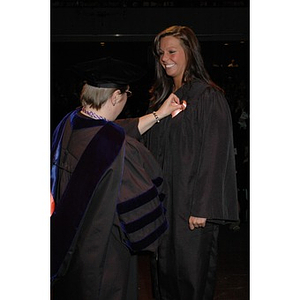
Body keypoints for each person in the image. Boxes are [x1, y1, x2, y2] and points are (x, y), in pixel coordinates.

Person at [50, 57, 185, 300]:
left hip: (68, 250)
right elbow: (142, 214)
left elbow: (110, 130)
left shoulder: (68, 124)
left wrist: (158, 114)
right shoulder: (120, 148)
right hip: (105, 255)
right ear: (115, 97)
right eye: (126, 95)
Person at [143, 25, 239, 300]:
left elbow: (215, 155)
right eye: (161, 53)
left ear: (189, 52)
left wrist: (203, 207)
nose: (164, 58)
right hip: (164, 207)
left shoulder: (207, 97)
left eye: (172, 51)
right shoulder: (160, 100)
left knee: (190, 280)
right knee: (163, 275)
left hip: (191, 209)